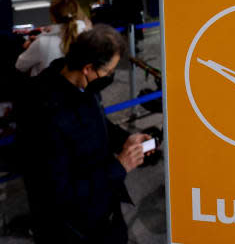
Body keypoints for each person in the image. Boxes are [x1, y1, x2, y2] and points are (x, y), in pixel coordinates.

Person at [17, 25, 152, 244]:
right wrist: (119, 166)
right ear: (88, 68)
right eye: (108, 72)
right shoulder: (46, 114)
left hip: (103, 209)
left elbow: (97, 122)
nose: (110, 77)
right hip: (74, 228)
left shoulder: (81, 86)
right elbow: (58, 193)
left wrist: (124, 139)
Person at [16, 0, 89, 76]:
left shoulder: (41, 42)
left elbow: (20, 66)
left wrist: (29, 47)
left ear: (52, 17)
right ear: (76, 11)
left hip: (48, 87)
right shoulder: (88, 37)